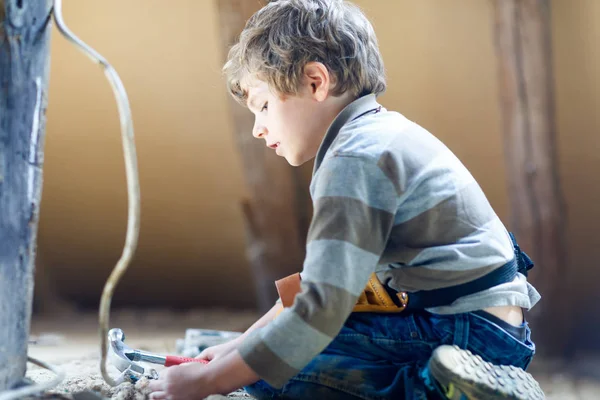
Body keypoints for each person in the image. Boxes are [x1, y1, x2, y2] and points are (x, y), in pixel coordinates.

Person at [149, 1, 545, 399]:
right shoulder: (377, 134)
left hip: (463, 330)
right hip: (488, 324)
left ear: (315, 82)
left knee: (271, 374)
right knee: (267, 353)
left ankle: (441, 389)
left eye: (264, 106)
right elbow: (322, 288)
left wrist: (208, 382)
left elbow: (319, 308)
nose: (257, 128)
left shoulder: (353, 161)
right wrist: (236, 348)